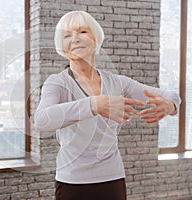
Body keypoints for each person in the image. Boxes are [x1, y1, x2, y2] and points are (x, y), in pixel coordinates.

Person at [34, 10, 181, 200]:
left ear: (96, 37)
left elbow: (171, 96)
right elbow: (41, 120)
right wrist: (94, 104)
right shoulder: (57, 83)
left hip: (112, 179)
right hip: (72, 181)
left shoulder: (117, 82)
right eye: (67, 35)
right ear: (61, 45)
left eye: (82, 32)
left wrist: (170, 106)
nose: (75, 39)